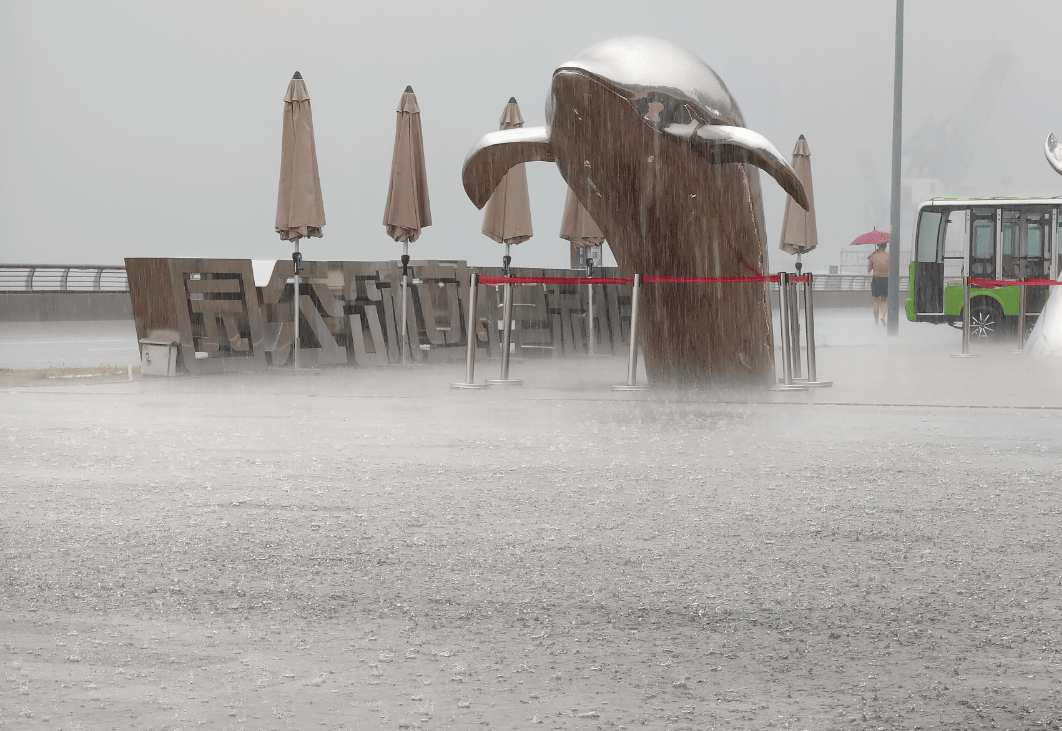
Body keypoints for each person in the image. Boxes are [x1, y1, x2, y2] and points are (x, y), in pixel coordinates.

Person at [868, 242, 889, 325]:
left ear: (877, 245)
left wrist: (871, 259)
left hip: (876, 279)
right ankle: (883, 316)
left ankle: (876, 322)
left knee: (876, 300)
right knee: (884, 300)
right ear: (885, 246)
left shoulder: (873, 256)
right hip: (885, 279)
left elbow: (869, 269)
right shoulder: (888, 256)